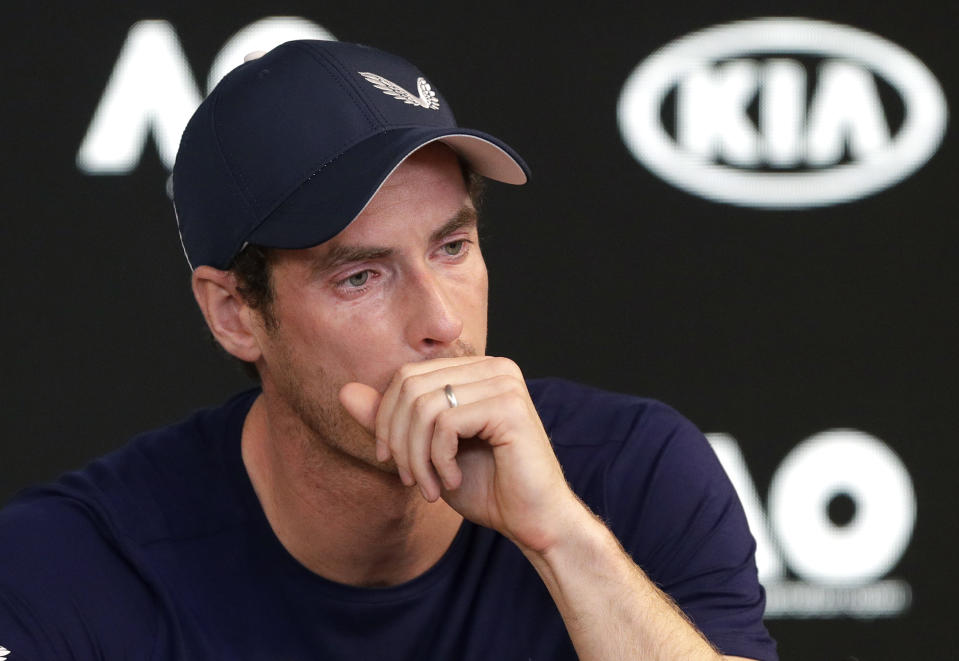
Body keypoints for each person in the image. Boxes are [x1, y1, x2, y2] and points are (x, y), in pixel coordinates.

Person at [0, 40, 777, 660]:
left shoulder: (631, 478)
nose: (440, 322)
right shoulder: (74, 566)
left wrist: (561, 538)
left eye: (452, 246)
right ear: (236, 313)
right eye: (361, 275)